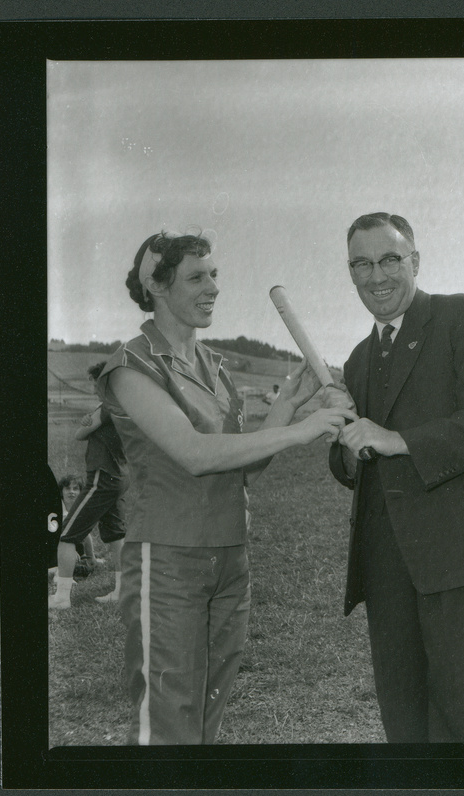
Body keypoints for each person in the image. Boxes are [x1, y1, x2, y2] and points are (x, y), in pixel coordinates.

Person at [98, 230, 352, 745]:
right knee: (168, 719)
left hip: (230, 556)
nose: (213, 287)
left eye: (214, 274)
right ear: (156, 286)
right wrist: (300, 431)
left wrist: (289, 404)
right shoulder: (132, 365)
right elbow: (195, 454)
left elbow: (244, 468)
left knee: (207, 719)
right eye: (196, 277)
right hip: (167, 559)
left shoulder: (214, 365)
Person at [329, 212, 464, 743]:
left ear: (415, 261)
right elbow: (352, 462)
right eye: (362, 264)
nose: (377, 276)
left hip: (462, 551)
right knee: (404, 717)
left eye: (390, 259)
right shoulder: (358, 360)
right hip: (386, 559)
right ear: (351, 272)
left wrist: (397, 439)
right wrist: (346, 447)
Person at [49, 361, 130, 609]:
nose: (94, 389)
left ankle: (62, 597)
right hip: (119, 476)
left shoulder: (107, 407)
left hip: (101, 477)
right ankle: (123, 591)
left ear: (105, 383)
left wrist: (89, 422)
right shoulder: (125, 405)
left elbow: (79, 434)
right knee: (116, 535)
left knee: (66, 534)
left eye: (96, 384)